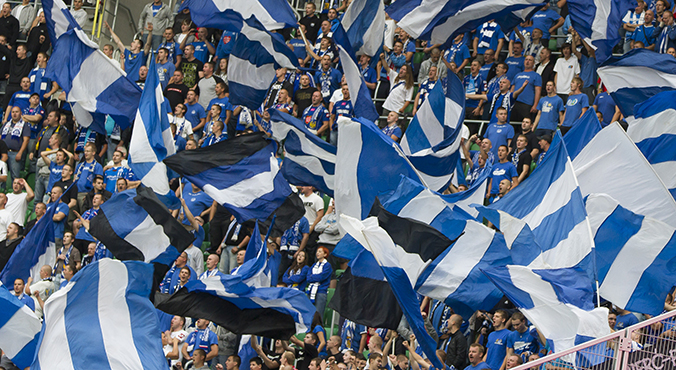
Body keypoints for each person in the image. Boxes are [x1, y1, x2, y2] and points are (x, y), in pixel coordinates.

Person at [1, 106, 30, 181]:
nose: (14, 114)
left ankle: (15, 192)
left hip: (15, 153)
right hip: (3, 153)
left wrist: (20, 153)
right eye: (13, 112)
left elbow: (26, 140)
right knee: (2, 174)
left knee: (15, 176)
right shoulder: (6, 124)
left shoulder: (25, 125)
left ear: (20, 113)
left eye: (16, 112)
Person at [277, 216, 310, 280]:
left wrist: (299, 251)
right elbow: (278, 234)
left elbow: (305, 236)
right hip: (284, 249)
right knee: (281, 273)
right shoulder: (283, 218)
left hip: (296, 249)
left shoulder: (303, 220)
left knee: (294, 272)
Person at [511, 55, 542, 122]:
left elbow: (538, 91)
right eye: (526, 59)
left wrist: (535, 105)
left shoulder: (536, 76)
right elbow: (512, 89)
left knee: (525, 125)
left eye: (530, 60)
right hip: (514, 103)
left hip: (527, 104)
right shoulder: (517, 75)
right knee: (513, 124)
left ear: (533, 63)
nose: (527, 61)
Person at [306, 246, 333, 317]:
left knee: (318, 314)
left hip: (321, 291)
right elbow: (308, 278)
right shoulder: (314, 265)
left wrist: (313, 277)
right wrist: (314, 277)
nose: (317, 253)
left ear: (325, 254)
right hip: (311, 290)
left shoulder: (327, 265)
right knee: (308, 312)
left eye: (320, 251)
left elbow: (321, 277)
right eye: (317, 251)